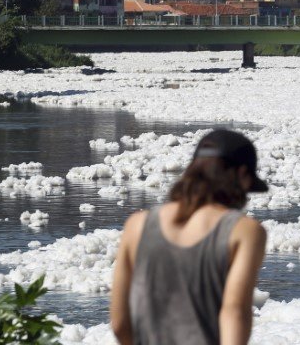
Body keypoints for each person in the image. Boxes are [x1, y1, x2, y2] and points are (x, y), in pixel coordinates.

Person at [110, 129, 268, 345]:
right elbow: (235, 312)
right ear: (241, 174)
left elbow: (119, 324)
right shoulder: (244, 231)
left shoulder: (137, 225)